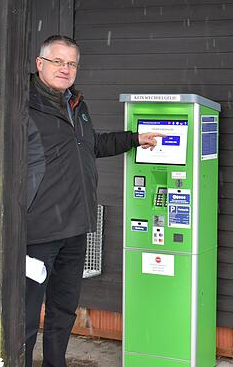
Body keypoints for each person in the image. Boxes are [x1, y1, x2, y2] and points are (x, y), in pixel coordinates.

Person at [25, 35, 162, 367]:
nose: (66, 69)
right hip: (37, 232)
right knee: (25, 315)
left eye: (72, 63)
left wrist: (133, 140)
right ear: (40, 64)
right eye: (58, 61)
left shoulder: (76, 105)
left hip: (75, 229)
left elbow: (89, 145)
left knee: (63, 309)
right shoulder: (21, 105)